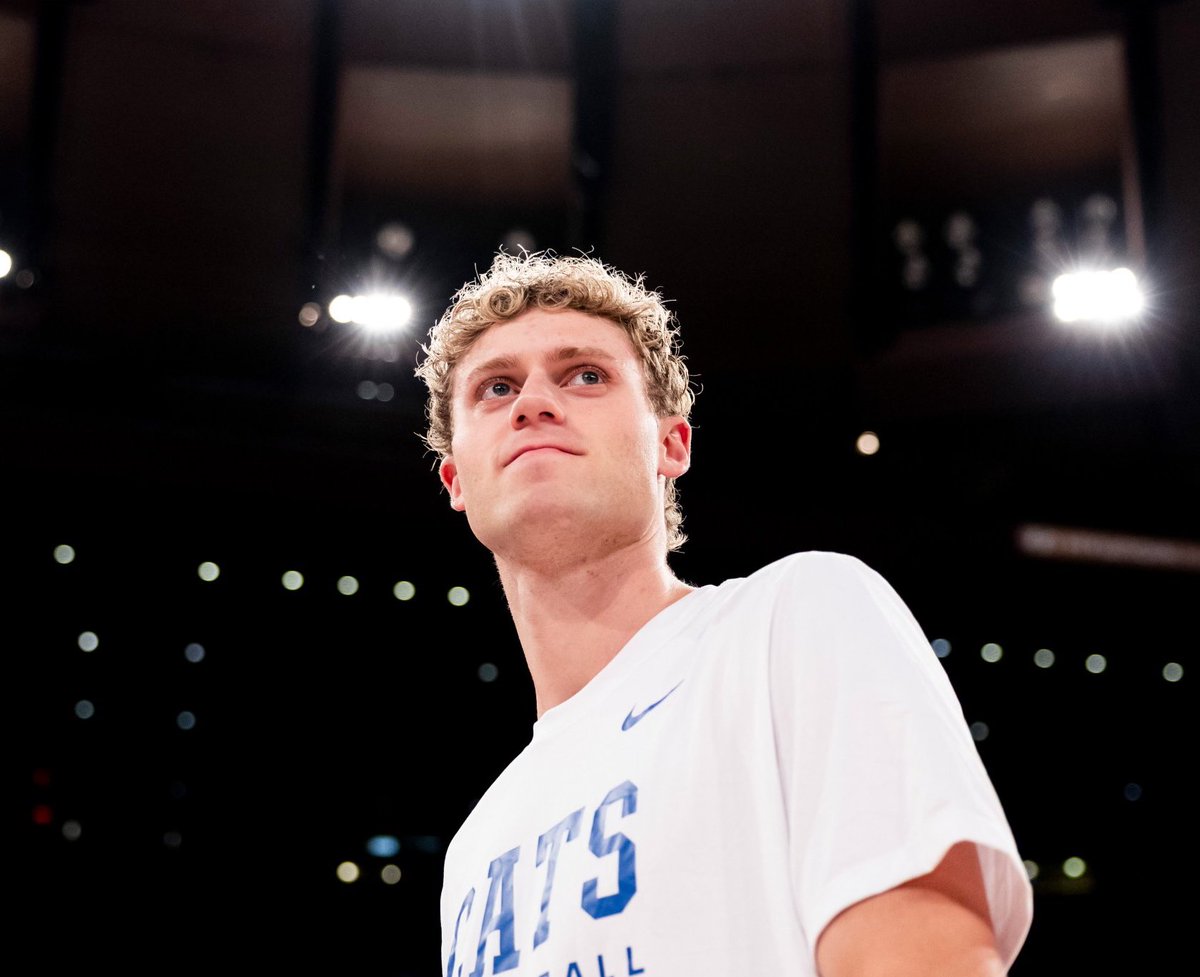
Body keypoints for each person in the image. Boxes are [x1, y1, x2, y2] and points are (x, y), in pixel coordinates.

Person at [416, 251, 1032, 977]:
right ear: (456, 478)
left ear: (671, 445)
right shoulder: (477, 845)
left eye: (586, 374)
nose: (534, 403)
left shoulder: (797, 618)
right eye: (496, 387)